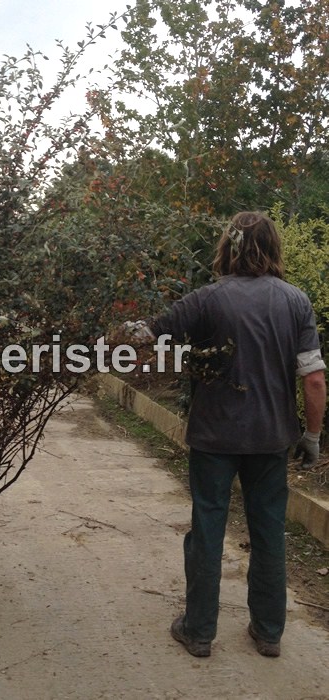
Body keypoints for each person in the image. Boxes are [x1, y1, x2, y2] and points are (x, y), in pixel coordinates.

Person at [136, 211, 326, 658]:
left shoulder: (206, 299)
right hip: (271, 439)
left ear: (228, 247)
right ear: (273, 246)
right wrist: (312, 436)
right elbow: (314, 379)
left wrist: (96, 338)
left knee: (207, 528)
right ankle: (268, 633)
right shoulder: (296, 302)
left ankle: (199, 631)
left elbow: (145, 335)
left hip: (213, 439)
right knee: (269, 530)